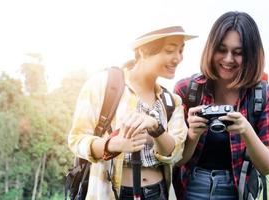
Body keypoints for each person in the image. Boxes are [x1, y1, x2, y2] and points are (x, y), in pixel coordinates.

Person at [68, 25, 196, 200]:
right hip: (111, 192)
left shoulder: (171, 101)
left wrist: (156, 128)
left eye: (181, 51)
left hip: (158, 193)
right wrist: (113, 144)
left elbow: (175, 153)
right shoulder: (104, 85)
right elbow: (77, 140)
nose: (178, 58)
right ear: (143, 51)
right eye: (170, 50)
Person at [173, 11, 269, 200]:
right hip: (190, 187)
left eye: (238, 52)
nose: (228, 59)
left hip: (237, 190)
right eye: (221, 49)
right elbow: (177, 161)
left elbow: (266, 167)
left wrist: (245, 130)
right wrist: (193, 135)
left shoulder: (264, 96)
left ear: (251, 55)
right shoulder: (188, 90)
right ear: (211, 49)